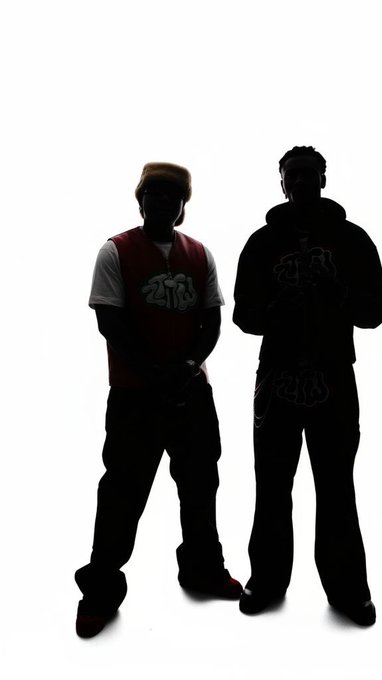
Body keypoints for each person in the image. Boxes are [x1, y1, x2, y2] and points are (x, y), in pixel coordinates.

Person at [75, 162, 241, 638]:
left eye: (173, 195)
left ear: (183, 205)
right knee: (122, 494)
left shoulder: (200, 253)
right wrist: (154, 373)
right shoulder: (115, 251)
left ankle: (203, 570)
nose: (164, 201)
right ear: (141, 198)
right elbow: (110, 322)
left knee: (200, 485)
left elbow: (212, 321)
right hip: (134, 397)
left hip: (192, 394)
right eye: (155, 192)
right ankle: (100, 590)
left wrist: (188, 367)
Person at [233, 146, 382, 625]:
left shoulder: (353, 239)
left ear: (324, 178)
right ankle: (266, 580)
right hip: (276, 379)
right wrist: (273, 310)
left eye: (308, 173)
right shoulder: (261, 243)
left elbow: (377, 310)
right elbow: (242, 313)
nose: (300, 181)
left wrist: (340, 295)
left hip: (334, 377)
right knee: (272, 485)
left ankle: (348, 590)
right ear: (281, 183)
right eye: (292, 174)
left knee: (337, 486)